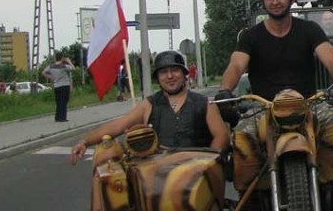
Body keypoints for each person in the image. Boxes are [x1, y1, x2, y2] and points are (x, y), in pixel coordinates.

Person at [216, 0, 333, 211]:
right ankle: (250, 194)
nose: (275, 2)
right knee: (240, 139)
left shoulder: (309, 30)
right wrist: (224, 90)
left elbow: (330, 59)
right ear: (263, 2)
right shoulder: (251, 36)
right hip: (265, 105)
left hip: (307, 103)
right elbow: (237, 64)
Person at [69, 50, 229, 164]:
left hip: (197, 175)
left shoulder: (204, 103)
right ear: (158, 78)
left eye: (174, 70)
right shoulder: (149, 104)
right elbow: (118, 125)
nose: (170, 76)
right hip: (157, 176)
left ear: (184, 74)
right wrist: (85, 141)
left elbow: (221, 136)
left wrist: (208, 163)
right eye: (164, 72)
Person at [43, 52, 75, 122]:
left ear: (56, 58)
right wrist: (69, 61)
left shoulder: (51, 66)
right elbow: (73, 69)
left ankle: (57, 117)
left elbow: (43, 72)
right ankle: (62, 118)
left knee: (58, 102)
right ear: (62, 58)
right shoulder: (63, 66)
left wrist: (51, 77)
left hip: (56, 86)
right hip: (65, 85)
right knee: (64, 102)